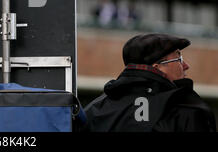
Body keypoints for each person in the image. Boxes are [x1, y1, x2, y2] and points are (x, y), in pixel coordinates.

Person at [85, 33, 216, 132]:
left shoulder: (95, 109)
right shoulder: (186, 109)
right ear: (157, 67)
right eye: (178, 58)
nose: (186, 65)